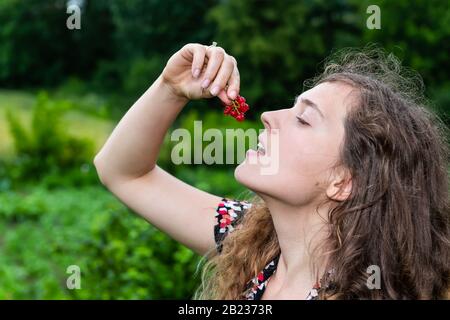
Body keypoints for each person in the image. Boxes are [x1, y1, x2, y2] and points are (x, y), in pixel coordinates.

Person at [94, 43, 450, 299]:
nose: (268, 116)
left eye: (303, 119)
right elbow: (123, 172)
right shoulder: (253, 241)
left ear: (344, 181)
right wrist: (170, 89)